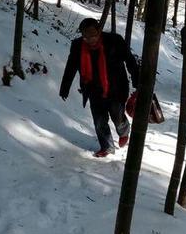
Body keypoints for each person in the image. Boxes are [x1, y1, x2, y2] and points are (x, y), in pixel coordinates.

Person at [59, 18, 139, 157]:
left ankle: (124, 131)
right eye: (85, 36)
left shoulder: (114, 41)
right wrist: (65, 88)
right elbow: (70, 67)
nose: (89, 39)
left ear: (99, 31)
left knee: (117, 116)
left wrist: (138, 83)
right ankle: (107, 146)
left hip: (116, 88)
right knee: (99, 121)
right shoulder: (78, 46)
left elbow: (130, 60)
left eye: (92, 35)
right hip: (93, 89)